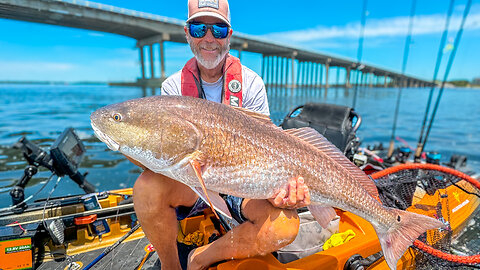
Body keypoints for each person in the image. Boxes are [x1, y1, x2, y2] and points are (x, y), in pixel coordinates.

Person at [131, 0, 311, 269]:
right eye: (198, 28)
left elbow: (266, 148)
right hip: (191, 183)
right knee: (146, 187)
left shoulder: (251, 84)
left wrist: (278, 191)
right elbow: (164, 154)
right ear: (186, 33)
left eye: (218, 29)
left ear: (230, 35)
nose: (208, 38)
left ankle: (199, 258)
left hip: (243, 184)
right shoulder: (172, 87)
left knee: (283, 227)